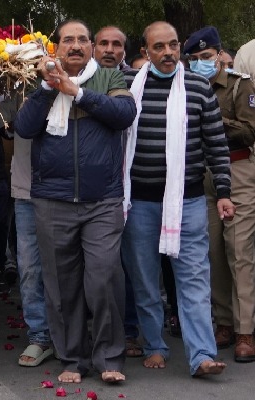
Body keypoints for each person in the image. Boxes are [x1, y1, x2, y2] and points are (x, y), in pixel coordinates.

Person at [16, 19, 136, 383]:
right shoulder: (37, 82)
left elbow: (124, 115)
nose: (76, 46)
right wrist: (49, 88)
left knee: (102, 280)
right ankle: (72, 359)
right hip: (53, 200)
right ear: (56, 48)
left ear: (91, 47)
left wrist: (78, 92)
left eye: (83, 40)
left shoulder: (111, 78)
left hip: (102, 200)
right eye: (68, 40)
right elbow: (24, 127)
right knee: (61, 285)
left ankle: (109, 358)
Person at [122, 21, 234, 377]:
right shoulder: (127, 88)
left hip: (187, 202)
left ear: (179, 47)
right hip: (138, 203)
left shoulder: (199, 89)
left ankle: (201, 354)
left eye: (173, 45)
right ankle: (155, 344)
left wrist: (224, 193)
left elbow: (217, 146)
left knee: (194, 278)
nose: (168, 53)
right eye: (159, 47)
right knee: (145, 277)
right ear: (146, 52)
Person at [185, 26, 255, 362]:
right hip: (205, 173)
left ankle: (245, 330)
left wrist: (214, 120)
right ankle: (224, 322)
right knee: (212, 252)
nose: (202, 63)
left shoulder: (241, 85)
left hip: (238, 169)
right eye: (195, 59)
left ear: (220, 55)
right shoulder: (187, 88)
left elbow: (251, 130)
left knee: (239, 251)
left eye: (206, 56)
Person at [93, 25, 144, 359]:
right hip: (92, 189)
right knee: (96, 268)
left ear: (125, 51)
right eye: (104, 43)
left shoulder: (135, 81)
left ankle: (128, 331)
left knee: (127, 265)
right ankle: (90, 332)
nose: (110, 49)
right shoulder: (78, 80)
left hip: (129, 186)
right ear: (92, 46)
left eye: (117, 44)